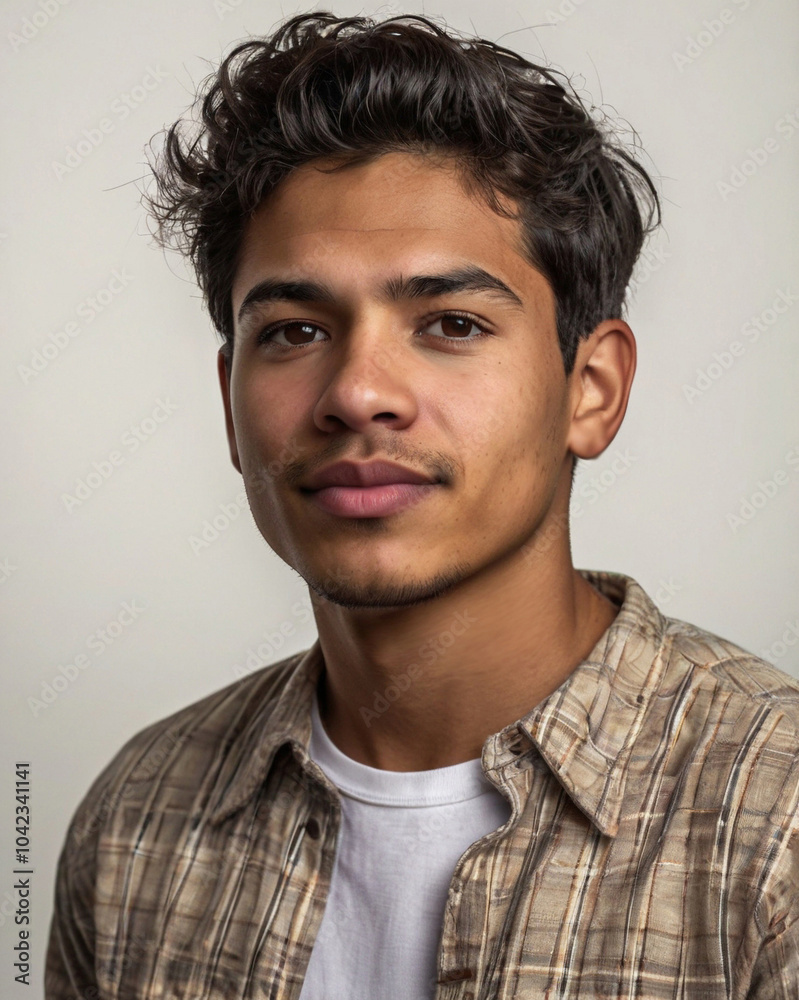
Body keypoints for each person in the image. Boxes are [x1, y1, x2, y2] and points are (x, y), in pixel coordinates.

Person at [46, 10, 799, 999]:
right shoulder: (134, 821)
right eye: (294, 331)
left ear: (592, 388)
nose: (358, 391)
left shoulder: (774, 825)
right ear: (229, 403)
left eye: (450, 323)